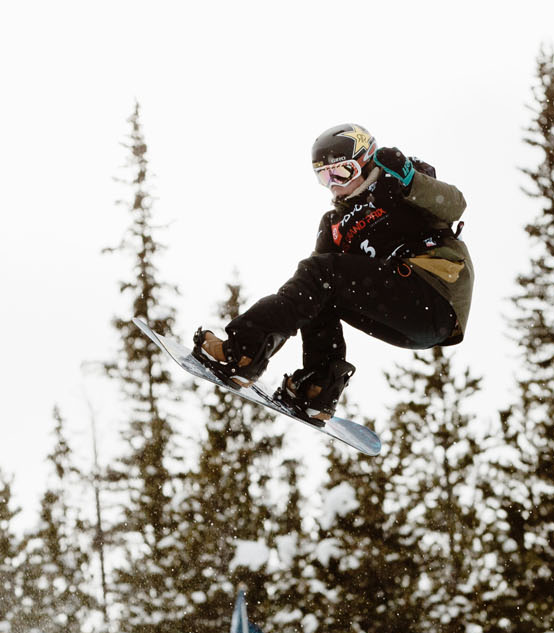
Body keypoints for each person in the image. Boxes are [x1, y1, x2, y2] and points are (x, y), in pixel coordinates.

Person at [192, 123, 473, 421]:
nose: (334, 184)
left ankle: (244, 351)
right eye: (324, 177)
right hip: (406, 319)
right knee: (317, 291)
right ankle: (318, 387)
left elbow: (454, 205)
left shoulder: (395, 179)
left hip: (435, 292)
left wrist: (408, 180)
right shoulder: (336, 224)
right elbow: (305, 295)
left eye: (342, 172)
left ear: (366, 163)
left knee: (321, 273)